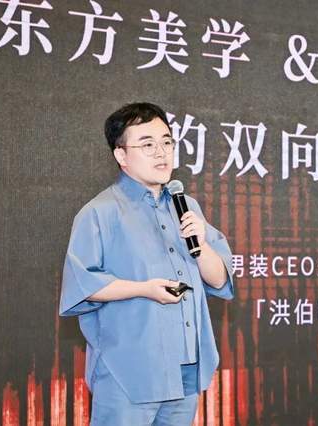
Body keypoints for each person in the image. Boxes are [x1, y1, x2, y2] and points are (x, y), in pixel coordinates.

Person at [59, 102, 234, 425]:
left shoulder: (186, 206)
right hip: (129, 372)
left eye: (167, 142)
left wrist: (202, 246)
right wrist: (144, 289)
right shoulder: (99, 212)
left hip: (186, 368)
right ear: (121, 155)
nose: (161, 153)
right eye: (147, 144)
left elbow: (220, 279)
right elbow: (83, 284)